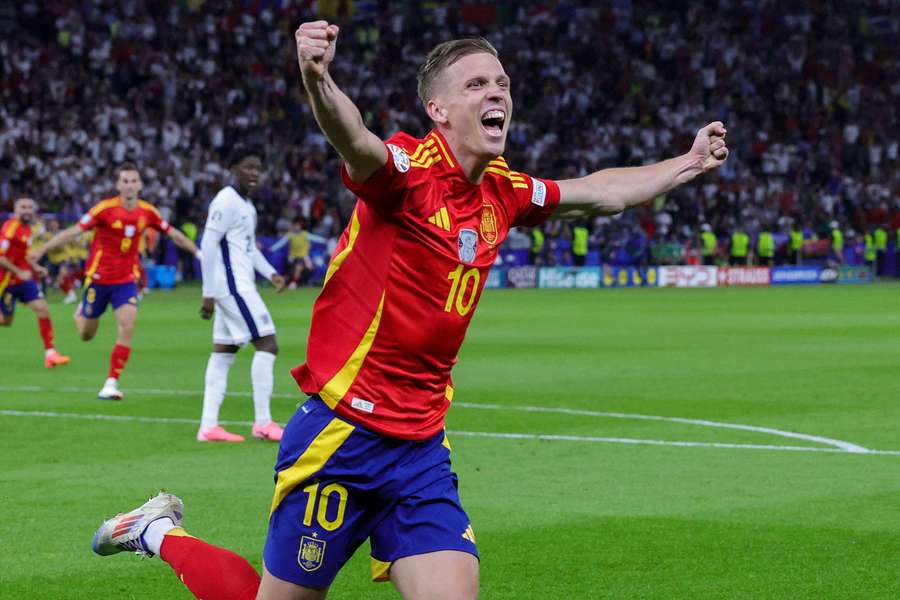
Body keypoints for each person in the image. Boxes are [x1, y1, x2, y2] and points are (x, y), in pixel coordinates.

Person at [90, 24, 728, 600]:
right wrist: (317, 78)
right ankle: (155, 532)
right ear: (439, 110)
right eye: (476, 83)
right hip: (342, 436)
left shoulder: (504, 189)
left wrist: (689, 162)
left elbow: (598, 192)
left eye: (501, 82)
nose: (495, 92)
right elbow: (355, 139)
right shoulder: (407, 172)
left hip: (421, 445)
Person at [30, 163, 200, 400]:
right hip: (98, 279)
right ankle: (82, 312)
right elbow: (74, 231)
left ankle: (111, 382)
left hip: (125, 281)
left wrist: (199, 253)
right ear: (118, 185)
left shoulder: (148, 212)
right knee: (86, 334)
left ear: (139, 185)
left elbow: (173, 234)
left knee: (127, 324)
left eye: (133, 181)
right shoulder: (104, 209)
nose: (130, 185)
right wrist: (43, 250)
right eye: (125, 181)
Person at [195, 146, 287, 443]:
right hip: (231, 287)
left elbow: (248, 250)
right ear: (233, 168)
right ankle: (262, 422)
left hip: (237, 283)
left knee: (224, 352)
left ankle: (208, 426)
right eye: (248, 167)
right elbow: (208, 245)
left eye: (258, 168)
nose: (254, 173)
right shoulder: (226, 200)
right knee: (268, 343)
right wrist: (208, 292)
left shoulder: (247, 206)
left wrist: (270, 272)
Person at [0, 197, 70, 368]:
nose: (27, 210)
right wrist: (19, 272)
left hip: (22, 280)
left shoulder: (27, 229)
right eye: (23, 207)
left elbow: (22, 254)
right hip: (6, 282)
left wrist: (35, 267)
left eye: (30, 207)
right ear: (16, 210)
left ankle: (50, 354)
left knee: (42, 308)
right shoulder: (10, 228)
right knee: (6, 321)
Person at [271, 218, 314, 289]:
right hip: (293, 257)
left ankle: (296, 282)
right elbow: (281, 243)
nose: (297, 227)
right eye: (296, 225)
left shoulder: (305, 234)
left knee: (308, 267)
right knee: (296, 267)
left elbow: (316, 238)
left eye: (298, 225)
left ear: (301, 226)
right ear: (293, 226)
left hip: (304, 257)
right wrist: (272, 248)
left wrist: (326, 240)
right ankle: (292, 282)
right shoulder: (290, 235)